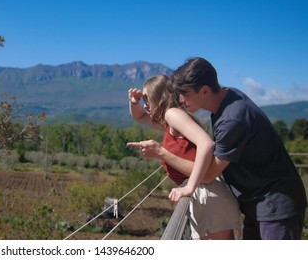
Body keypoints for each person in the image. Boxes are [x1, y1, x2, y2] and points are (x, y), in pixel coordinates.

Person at [137, 57, 307, 240]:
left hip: (275, 205)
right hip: (259, 203)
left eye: (184, 93)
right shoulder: (229, 98)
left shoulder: (232, 118)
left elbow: (209, 174)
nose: (179, 100)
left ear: (204, 90)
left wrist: (184, 181)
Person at [127, 75, 242, 240]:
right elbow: (139, 117)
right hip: (204, 194)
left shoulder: (172, 114)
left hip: (207, 195)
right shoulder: (169, 120)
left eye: (146, 98)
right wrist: (133, 102)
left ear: (158, 96)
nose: (144, 104)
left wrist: (160, 152)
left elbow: (207, 144)